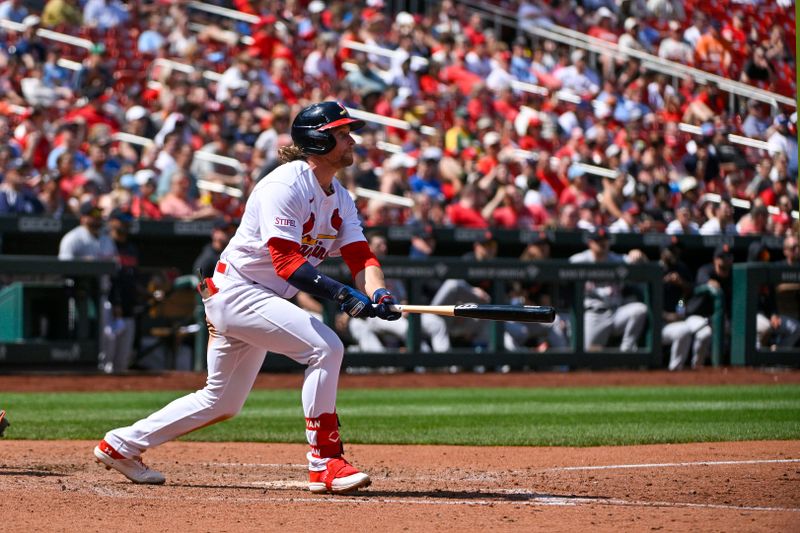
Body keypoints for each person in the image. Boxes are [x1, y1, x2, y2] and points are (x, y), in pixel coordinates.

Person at [93, 102, 401, 495]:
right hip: (239, 291)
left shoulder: (339, 196)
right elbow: (287, 262)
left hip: (256, 298)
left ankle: (120, 445)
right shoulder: (284, 184)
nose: (351, 139)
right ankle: (325, 461)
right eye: (342, 134)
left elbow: (361, 255)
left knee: (221, 401)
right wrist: (343, 294)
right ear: (318, 139)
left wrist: (378, 291)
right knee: (326, 347)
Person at [347, 231, 450, 353]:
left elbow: (403, 296)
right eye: (379, 245)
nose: (384, 248)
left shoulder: (392, 265)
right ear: (368, 246)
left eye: (384, 244)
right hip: (375, 314)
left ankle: (446, 366)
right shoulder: (362, 267)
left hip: (399, 310)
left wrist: (404, 306)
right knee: (406, 328)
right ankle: (426, 361)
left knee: (437, 324)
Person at [568, 228, 648, 352]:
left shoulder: (617, 259)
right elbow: (561, 274)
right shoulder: (579, 260)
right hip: (594, 314)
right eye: (598, 240)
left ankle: (626, 352)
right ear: (590, 243)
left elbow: (644, 265)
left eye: (605, 240)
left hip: (616, 313)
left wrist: (639, 255)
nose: (602, 243)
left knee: (639, 310)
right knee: (588, 355)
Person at [748, 241, 800, 350]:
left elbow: (771, 300)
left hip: (768, 317)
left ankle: (778, 353)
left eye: (766, 255)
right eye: (762, 255)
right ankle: (755, 363)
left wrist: (773, 314)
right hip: (750, 317)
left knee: (796, 328)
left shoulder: (768, 273)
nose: (765, 258)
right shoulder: (747, 273)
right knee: (765, 327)